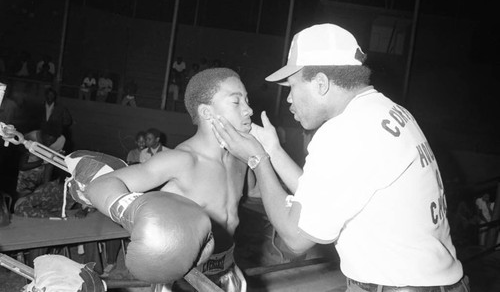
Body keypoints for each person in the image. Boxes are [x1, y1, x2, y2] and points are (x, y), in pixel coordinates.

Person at [211, 24, 469, 291]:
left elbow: (295, 236)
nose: (288, 99)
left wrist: (258, 160)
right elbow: (320, 198)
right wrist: (273, 150)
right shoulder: (386, 110)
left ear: (321, 83)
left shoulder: (345, 131)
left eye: (292, 86)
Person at [77, 68, 253, 291]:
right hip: (185, 278)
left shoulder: (241, 158)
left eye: (247, 100)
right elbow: (100, 185)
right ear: (207, 113)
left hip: (227, 271)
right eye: (236, 102)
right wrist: (133, 213)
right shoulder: (181, 160)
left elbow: (248, 199)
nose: (249, 109)